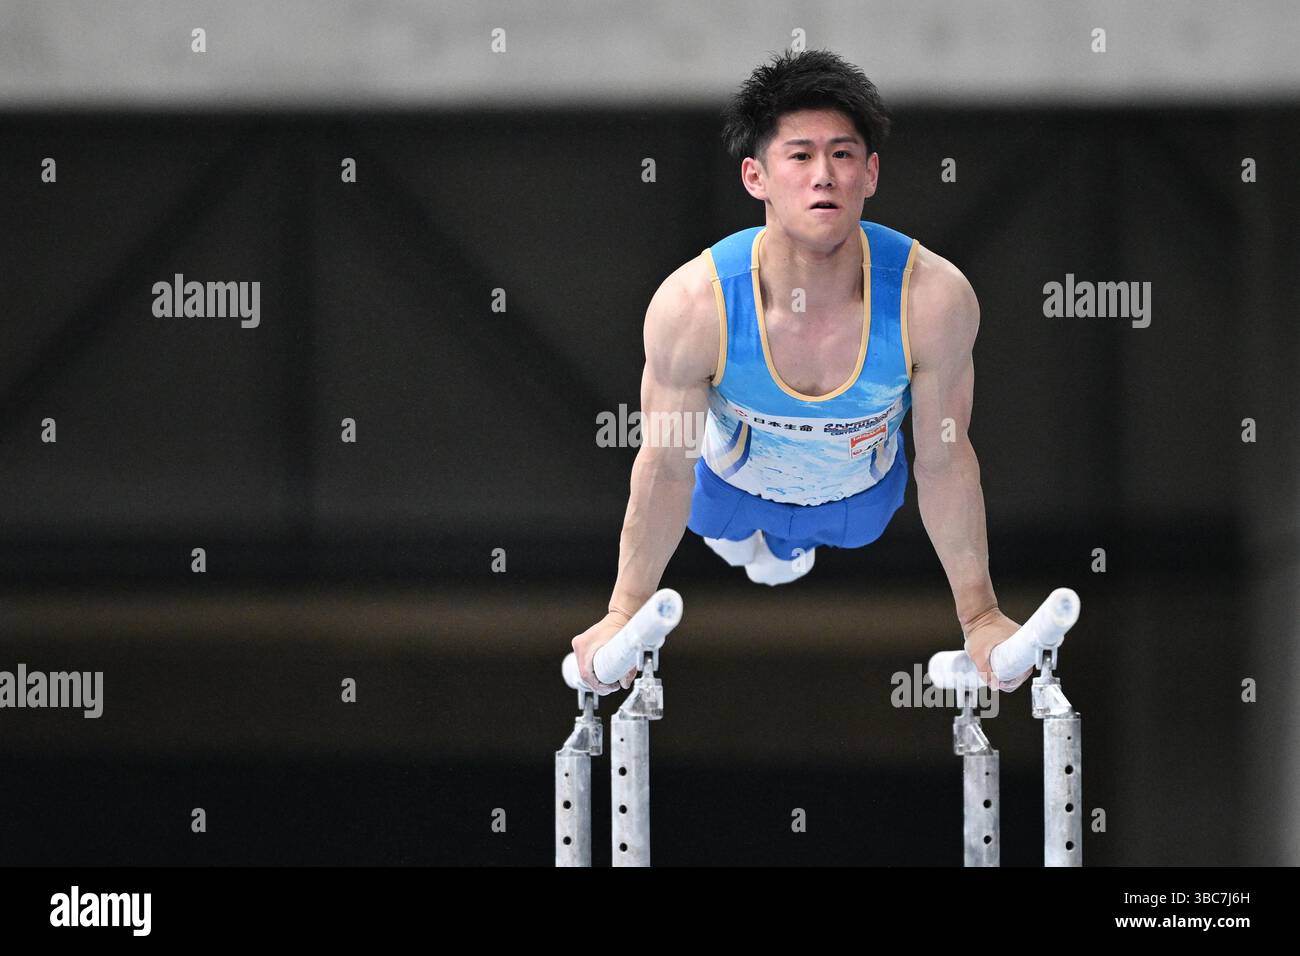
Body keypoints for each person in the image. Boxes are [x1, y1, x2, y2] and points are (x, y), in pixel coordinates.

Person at [572, 49, 1031, 696]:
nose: (825, 176)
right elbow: (666, 466)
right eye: (800, 155)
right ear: (755, 176)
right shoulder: (694, 306)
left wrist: (980, 617)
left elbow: (944, 460)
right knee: (743, 541)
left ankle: (785, 553)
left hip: (860, 506)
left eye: (843, 155)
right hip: (728, 496)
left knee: (801, 547)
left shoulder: (932, 298)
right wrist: (623, 611)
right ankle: (768, 554)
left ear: (871, 173)